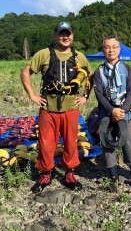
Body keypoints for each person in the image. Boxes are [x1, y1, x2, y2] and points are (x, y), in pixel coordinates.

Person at [21, 22, 92, 193]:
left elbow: (90, 76)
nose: (65, 37)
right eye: (61, 34)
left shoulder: (79, 56)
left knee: (70, 142)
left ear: (72, 37)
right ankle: (46, 172)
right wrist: (32, 95)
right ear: (55, 36)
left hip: (71, 109)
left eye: (68, 34)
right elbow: (25, 73)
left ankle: (69, 173)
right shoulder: (44, 54)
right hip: (48, 110)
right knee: (46, 144)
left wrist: (85, 96)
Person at [93, 35, 131, 192]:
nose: (111, 50)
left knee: (129, 146)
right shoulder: (99, 71)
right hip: (106, 114)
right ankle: (113, 178)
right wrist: (111, 110)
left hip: (124, 114)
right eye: (107, 47)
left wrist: (124, 109)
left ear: (119, 49)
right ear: (103, 50)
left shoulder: (126, 69)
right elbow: (99, 94)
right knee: (108, 146)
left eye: (114, 47)